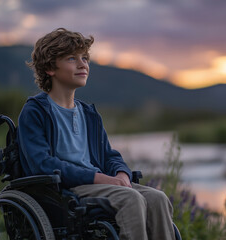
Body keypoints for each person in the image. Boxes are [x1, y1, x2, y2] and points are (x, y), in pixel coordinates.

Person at [18, 28, 175, 240]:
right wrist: (98, 178)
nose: (83, 64)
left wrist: (120, 174)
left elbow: (109, 155)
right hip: (65, 190)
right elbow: (42, 164)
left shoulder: (89, 113)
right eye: (72, 58)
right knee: (131, 199)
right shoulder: (35, 111)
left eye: (85, 58)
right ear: (49, 68)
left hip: (99, 184)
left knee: (158, 198)